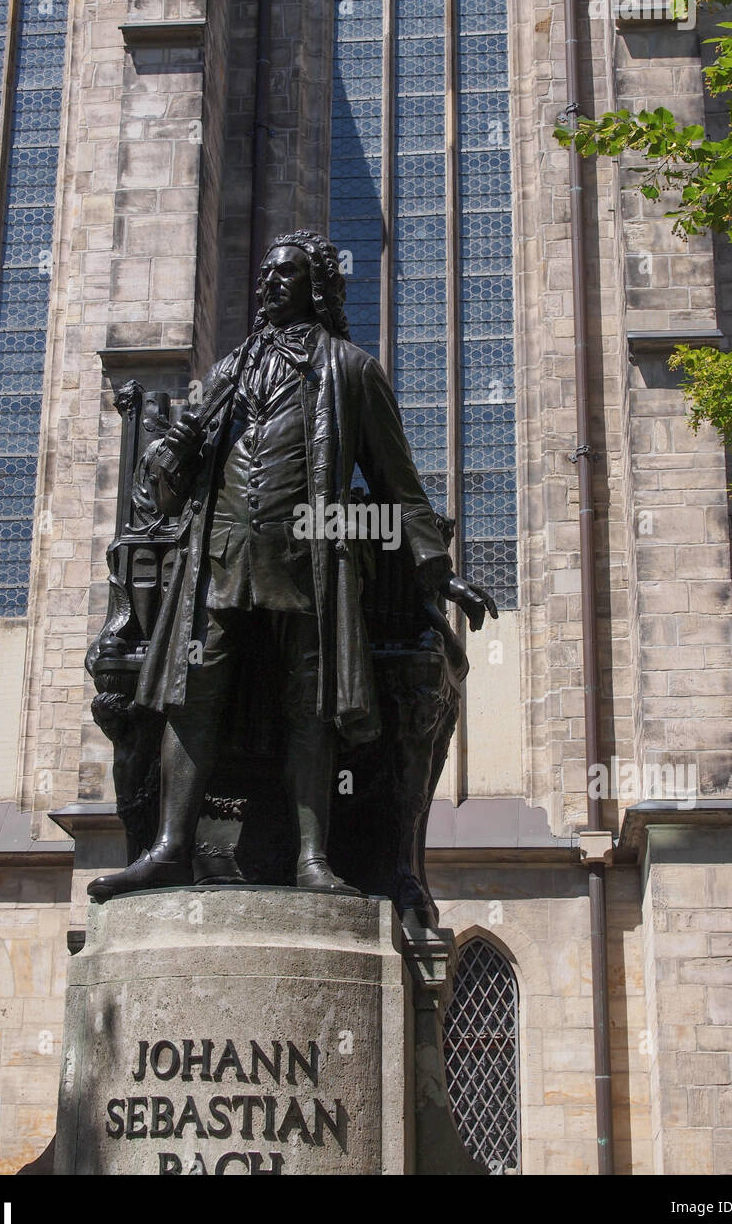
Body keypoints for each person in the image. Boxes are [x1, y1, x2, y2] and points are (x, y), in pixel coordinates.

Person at [88, 231, 496, 901]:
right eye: (266, 274)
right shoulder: (227, 371)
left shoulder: (351, 370)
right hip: (218, 561)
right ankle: (168, 849)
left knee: (312, 708)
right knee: (192, 696)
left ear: (319, 287)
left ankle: (312, 859)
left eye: (286, 274)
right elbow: (173, 475)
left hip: (309, 564)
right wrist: (168, 455)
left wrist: (437, 570)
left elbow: (398, 485)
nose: (269, 284)